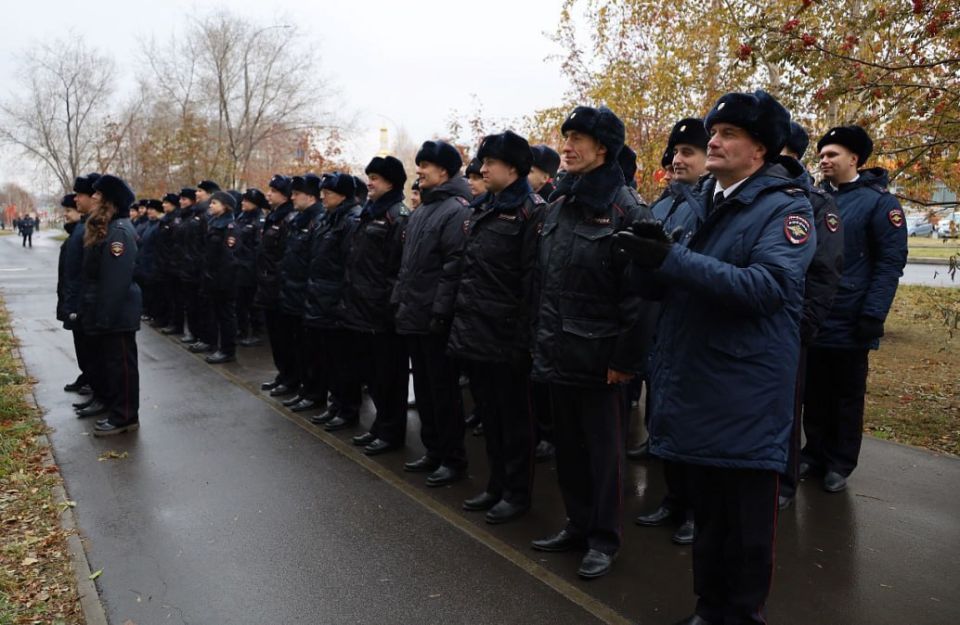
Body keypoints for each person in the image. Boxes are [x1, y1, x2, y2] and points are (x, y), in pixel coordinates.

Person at [614, 90, 815, 625]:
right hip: (700, 384)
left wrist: (672, 259)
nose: (714, 142)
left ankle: (740, 615)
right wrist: (643, 261)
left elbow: (766, 288)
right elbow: (671, 284)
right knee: (710, 519)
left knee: (745, 528)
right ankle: (710, 609)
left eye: (728, 135)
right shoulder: (704, 202)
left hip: (745, 392)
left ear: (761, 149)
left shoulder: (787, 208)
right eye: (714, 133)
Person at [529, 105, 651, 580]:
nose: (567, 146)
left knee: (604, 457)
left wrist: (625, 360)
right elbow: (545, 283)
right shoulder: (558, 206)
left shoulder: (626, 209)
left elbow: (641, 297)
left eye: (578, 138)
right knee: (569, 450)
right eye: (566, 137)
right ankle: (577, 526)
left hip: (602, 360)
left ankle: (604, 539)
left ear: (603, 148)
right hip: (559, 351)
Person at [800, 124, 908, 493]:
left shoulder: (881, 204)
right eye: (822, 154)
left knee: (845, 395)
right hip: (815, 315)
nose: (824, 160)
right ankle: (813, 453)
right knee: (813, 392)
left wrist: (872, 314)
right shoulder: (814, 198)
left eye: (832, 154)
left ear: (854, 159)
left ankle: (839, 462)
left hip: (851, 318)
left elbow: (890, 263)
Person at [449, 130, 544, 524]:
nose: (482, 168)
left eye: (490, 163)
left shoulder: (532, 211)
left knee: (515, 422)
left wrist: (523, 341)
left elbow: (532, 282)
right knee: (489, 417)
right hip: (478, 333)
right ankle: (496, 485)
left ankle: (516, 493)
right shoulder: (481, 207)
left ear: (514, 167)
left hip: (509, 339)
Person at [634, 117, 709, 545]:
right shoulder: (665, 203)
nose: (678, 161)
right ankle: (672, 498)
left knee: (693, 425)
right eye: (676, 153)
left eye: (688, 153)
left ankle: (695, 510)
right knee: (662, 417)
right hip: (660, 326)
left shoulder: (709, 205)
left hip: (691, 329)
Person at [393, 140, 472, 486]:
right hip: (414, 316)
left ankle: (453, 459)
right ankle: (434, 450)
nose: (420, 171)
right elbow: (408, 266)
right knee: (424, 390)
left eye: (426, 165)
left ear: (444, 171)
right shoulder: (424, 210)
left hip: (435, 321)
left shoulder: (456, 210)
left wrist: (441, 314)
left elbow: (454, 267)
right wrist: (400, 300)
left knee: (443, 393)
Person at [341, 156, 410, 455]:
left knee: (389, 377)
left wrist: (388, 305)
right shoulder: (370, 212)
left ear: (392, 182)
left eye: (377, 178)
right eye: (369, 176)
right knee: (373, 375)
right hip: (361, 309)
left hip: (382, 312)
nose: (370, 182)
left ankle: (392, 432)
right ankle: (380, 426)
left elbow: (399, 268)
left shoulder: (399, 214)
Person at [81, 174, 142, 436]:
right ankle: (120, 413)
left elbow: (115, 281)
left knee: (123, 368)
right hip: (110, 311)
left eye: (98, 194)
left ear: (109, 200)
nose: (93, 197)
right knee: (115, 366)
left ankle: (125, 417)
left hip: (117, 313)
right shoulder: (111, 226)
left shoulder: (118, 232)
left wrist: (104, 316)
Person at [302, 173, 363, 430]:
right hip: (322, 299)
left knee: (344, 363)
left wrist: (342, 302)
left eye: (328, 192)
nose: (323, 196)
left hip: (338, 302)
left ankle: (347, 411)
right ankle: (335, 405)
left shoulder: (350, 220)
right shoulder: (328, 219)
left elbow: (350, 266)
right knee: (330, 360)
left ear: (343, 195)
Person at [278, 174, 325, 405]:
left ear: (310, 196)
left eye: (297, 193)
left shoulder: (318, 220)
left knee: (311, 351)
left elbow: (315, 262)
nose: (292, 197)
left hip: (307, 295)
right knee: (297, 346)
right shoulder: (298, 219)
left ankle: (313, 392)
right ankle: (303, 388)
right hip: (293, 293)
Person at [257, 175, 300, 396]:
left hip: (280, 287)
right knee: (275, 336)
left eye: (273, 191)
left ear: (284, 195)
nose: (268, 194)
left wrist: (278, 282)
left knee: (285, 338)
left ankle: (291, 379)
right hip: (267, 285)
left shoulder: (289, 219)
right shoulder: (273, 217)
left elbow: (285, 257)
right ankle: (282, 374)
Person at [200, 191, 240, 364]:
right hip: (213, 278)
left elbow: (230, 258)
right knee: (216, 313)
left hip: (224, 281)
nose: (210, 205)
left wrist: (221, 281)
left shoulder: (230, 227)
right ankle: (217, 345)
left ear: (225, 206)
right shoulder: (214, 223)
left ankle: (227, 350)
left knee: (226, 315)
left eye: (214, 203)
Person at [56, 194, 90, 395]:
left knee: (87, 346)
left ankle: (92, 380)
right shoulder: (76, 232)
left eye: (69, 211)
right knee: (81, 344)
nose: (65, 215)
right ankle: (87, 376)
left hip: (79, 302)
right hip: (73, 299)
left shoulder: (82, 232)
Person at [235, 188, 267, 347]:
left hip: (250, 268)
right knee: (240, 302)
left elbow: (258, 248)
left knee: (253, 303)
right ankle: (242, 330)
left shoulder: (259, 220)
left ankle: (257, 332)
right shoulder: (241, 218)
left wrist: (252, 266)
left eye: (247, 201)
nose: (243, 203)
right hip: (239, 266)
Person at [156, 193, 185, 335]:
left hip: (172, 264)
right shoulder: (166, 219)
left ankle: (176, 324)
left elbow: (175, 244)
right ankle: (169, 320)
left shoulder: (176, 220)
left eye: (166, 203)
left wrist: (171, 261)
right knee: (167, 295)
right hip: (164, 263)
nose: (163, 205)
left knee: (176, 297)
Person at [133, 200, 163, 323]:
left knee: (155, 293)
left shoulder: (158, 225)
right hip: (144, 263)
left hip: (153, 264)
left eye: (153, 209)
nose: (149, 211)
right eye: (148, 209)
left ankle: (155, 315)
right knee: (148, 291)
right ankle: (149, 312)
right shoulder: (148, 225)